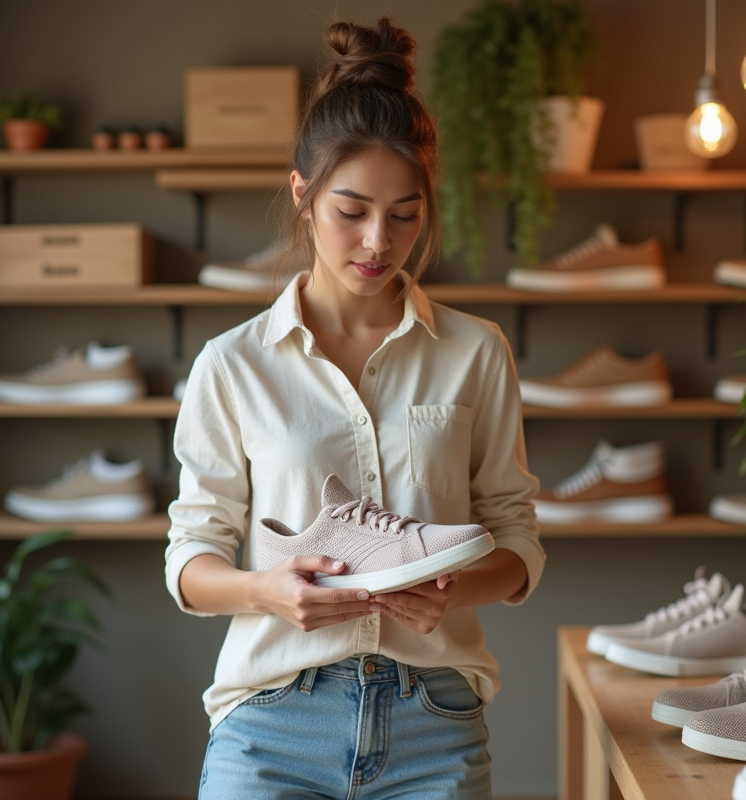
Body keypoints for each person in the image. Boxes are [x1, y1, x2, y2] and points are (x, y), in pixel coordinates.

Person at [165, 17, 545, 800]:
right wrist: (268, 592)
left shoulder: (476, 351)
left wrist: (452, 591)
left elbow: (515, 542)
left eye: (405, 213)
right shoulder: (232, 364)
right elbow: (190, 559)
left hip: (433, 720)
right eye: (352, 210)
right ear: (303, 196)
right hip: (272, 718)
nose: (379, 240)